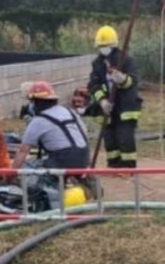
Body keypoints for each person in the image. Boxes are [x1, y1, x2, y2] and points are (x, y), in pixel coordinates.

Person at [87, 25, 143, 168]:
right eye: (101, 46)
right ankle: (113, 164)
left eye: (106, 45)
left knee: (125, 137)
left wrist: (123, 79)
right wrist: (102, 101)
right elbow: (94, 84)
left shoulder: (125, 60)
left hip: (125, 106)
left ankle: (128, 166)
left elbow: (134, 81)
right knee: (110, 138)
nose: (103, 48)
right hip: (108, 107)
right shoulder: (98, 63)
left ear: (113, 45)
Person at [11, 81, 90, 171]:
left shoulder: (38, 121)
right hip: (84, 159)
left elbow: (23, 151)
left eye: (32, 101)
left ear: (37, 102)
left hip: (62, 162)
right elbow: (84, 134)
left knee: (27, 169)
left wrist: (11, 175)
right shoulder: (70, 112)